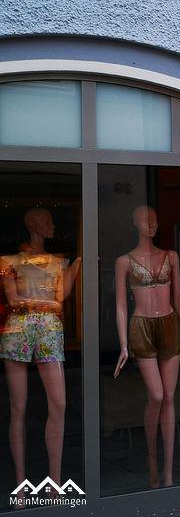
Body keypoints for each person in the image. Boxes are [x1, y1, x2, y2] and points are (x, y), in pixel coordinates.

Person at [113, 205, 180, 488]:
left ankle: (168, 471)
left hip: (169, 325)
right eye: (145, 219)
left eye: (154, 219)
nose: (152, 223)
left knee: (169, 397)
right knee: (155, 395)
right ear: (135, 223)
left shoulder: (171, 256)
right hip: (141, 326)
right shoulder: (124, 262)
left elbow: (179, 297)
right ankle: (152, 458)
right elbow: (120, 305)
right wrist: (123, 345)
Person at [1, 208, 81, 507]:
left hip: (48, 330)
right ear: (33, 223)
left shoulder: (59, 262)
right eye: (47, 220)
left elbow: (60, 297)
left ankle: (55, 483)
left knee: (58, 403)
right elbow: (13, 300)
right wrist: (46, 305)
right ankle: (20, 484)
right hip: (18, 330)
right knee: (18, 408)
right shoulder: (9, 261)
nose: (52, 225)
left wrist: (77, 266)